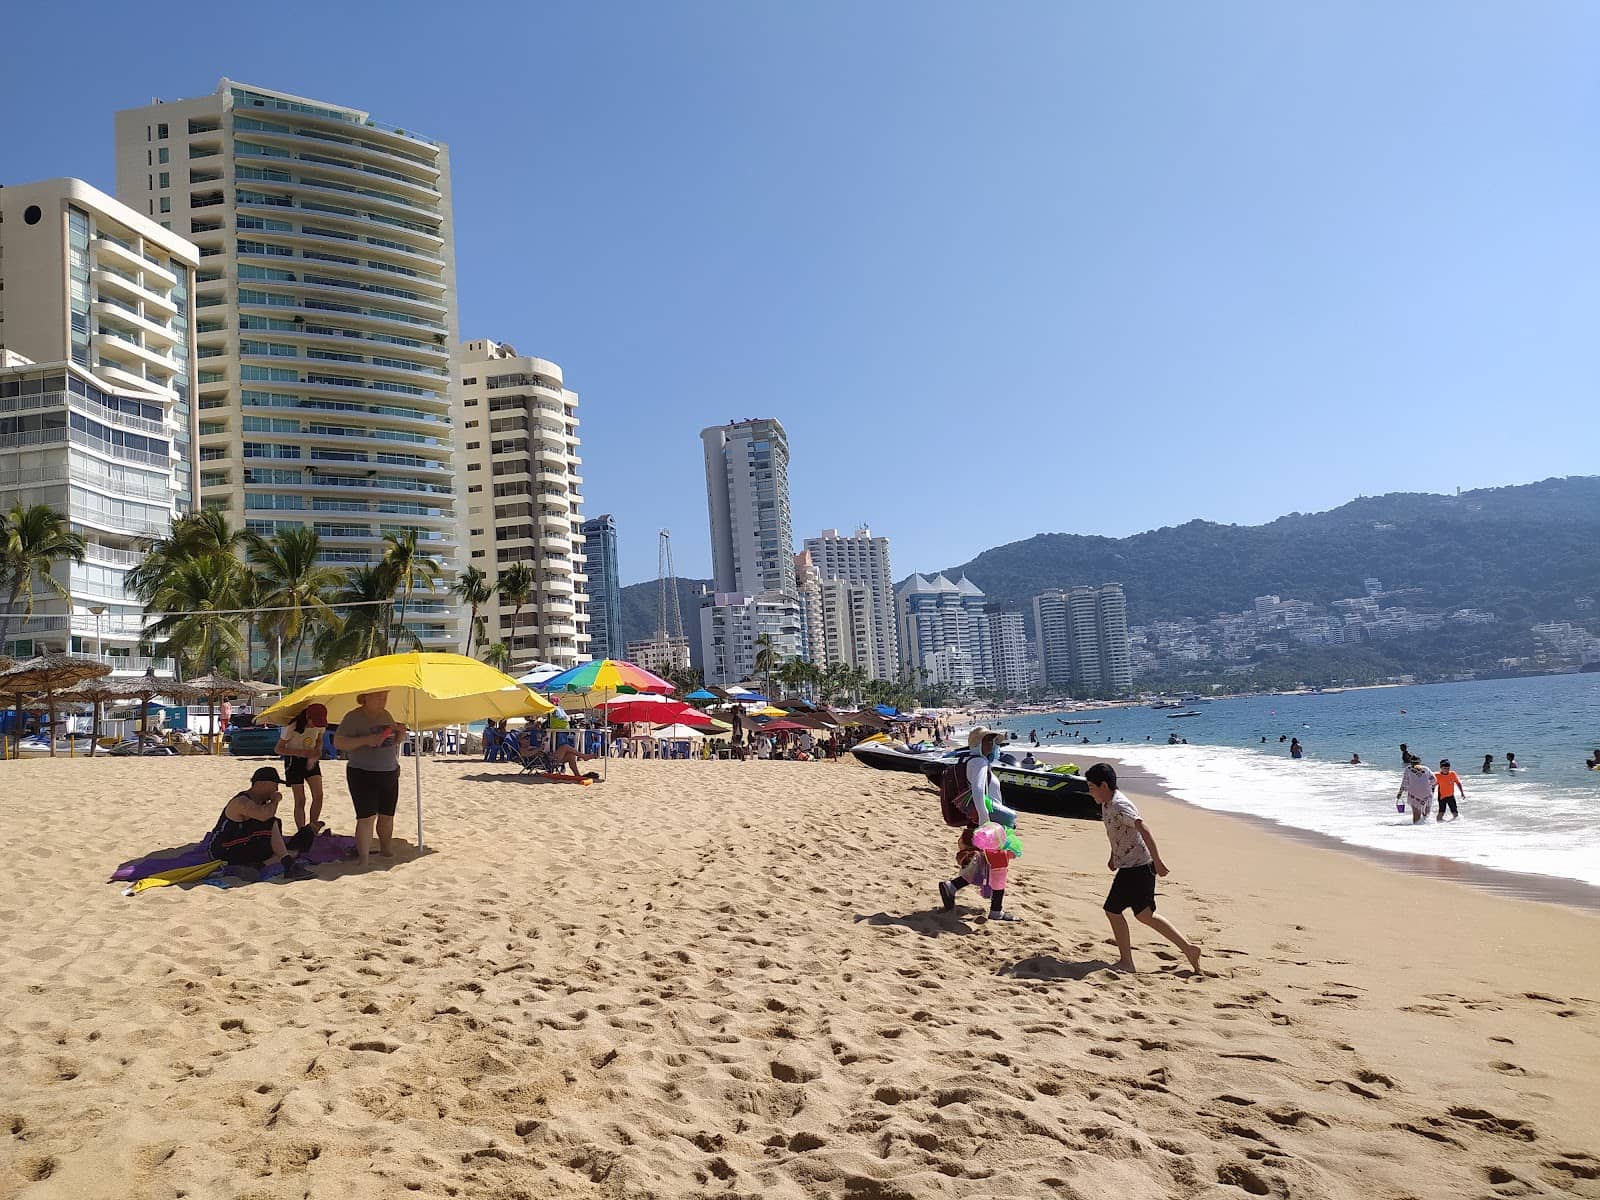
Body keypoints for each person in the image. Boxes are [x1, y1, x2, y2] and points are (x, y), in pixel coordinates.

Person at [1084, 762, 1202, 974]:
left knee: (1112, 910)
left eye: (1091, 786)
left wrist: (1158, 861)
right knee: (1145, 916)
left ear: (1103, 785)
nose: (1089, 791)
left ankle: (1126, 962)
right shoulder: (1106, 804)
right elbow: (1118, 834)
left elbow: (1143, 828)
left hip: (1138, 868)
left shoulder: (1120, 805)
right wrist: (1113, 856)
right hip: (1132, 866)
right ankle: (1189, 949)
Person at [937, 727, 1019, 922]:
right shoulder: (980, 762)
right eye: (987, 741)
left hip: (985, 822)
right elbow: (978, 791)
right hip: (989, 824)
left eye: (992, 741)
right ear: (977, 744)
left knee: (985, 863)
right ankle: (996, 911)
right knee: (999, 865)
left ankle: (952, 886)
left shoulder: (969, 761)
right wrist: (985, 823)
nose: (992, 745)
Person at [333, 691, 406, 867]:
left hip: (388, 770)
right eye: (378, 697)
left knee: (387, 816)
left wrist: (400, 734)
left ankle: (386, 850)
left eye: (385, 697)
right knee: (366, 817)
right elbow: (339, 742)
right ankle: (364, 858)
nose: (383, 700)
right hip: (362, 771)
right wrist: (367, 739)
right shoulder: (353, 717)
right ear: (365, 697)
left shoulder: (386, 715)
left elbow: (390, 743)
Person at [205, 767, 316, 879]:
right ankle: (288, 864)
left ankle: (259, 865)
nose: (276, 789)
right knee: (272, 823)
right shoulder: (241, 802)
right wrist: (275, 800)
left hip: (242, 844)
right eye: (275, 785)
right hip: (223, 849)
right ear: (262, 784)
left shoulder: (259, 802)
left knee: (289, 849)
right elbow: (265, 816)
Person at [275, 703, 328, 833]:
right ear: (307, 717)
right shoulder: (292, 727)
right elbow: (278, 749)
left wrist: (317, 751)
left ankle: (313, 826)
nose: (315, 725)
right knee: (300, 800)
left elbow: (320, 739)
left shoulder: (319, 725)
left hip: (311, 758)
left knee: (318, 795)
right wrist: (301, 753)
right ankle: (302, 831)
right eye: (313, 722)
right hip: (294, 761)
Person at [1396, 758, 1436, 825]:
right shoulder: (1426, 768)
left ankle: (1416, 830)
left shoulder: (1408, 769)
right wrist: (1427, 785)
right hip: (1427, 793)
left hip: (1414, 794)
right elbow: (1434, 780)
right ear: (1420, 762)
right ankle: (1428, 829)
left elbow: (1404, 782)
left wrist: (1400, 792)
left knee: (1416, 815)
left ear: (1411, 763)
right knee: (1426, 815)